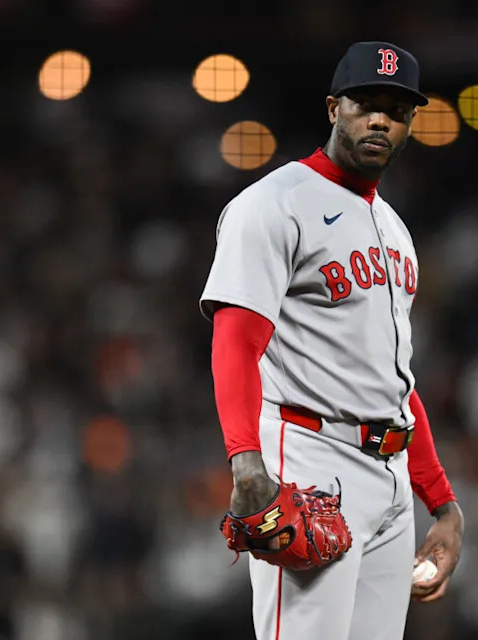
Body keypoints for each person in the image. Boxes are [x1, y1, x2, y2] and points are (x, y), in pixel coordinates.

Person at [199, 40, 464, 640]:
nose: (379, 120)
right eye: (364, 103)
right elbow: (235, 342)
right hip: (312, 461)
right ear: (332, 108)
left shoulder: (394, 230)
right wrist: (246, 463)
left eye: (395, 111)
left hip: (391, 476)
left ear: (409, 125)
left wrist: (441, 502)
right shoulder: (273, 204)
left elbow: (396, 383)